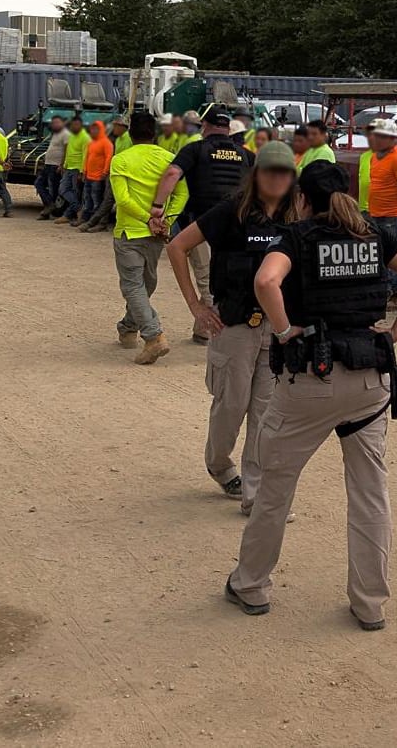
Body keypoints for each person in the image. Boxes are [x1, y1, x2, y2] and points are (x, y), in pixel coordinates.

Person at [225, 160, 397, 623]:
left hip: (310, 381)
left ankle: (252, 586)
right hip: (369, 381)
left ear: (303, 199)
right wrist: (395, 333)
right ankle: (370, 603)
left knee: (275, 489)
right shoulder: (374, 235)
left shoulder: (296, 239)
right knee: (370, 494)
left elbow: (265, 281)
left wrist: (282, 332)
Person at [166, 140, 301, 512]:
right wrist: (196, 306)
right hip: (234, 327)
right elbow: (177, 247)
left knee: (265, 414)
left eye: (284, 172)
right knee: (231, 406)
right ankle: (219, 465)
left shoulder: (297, 218)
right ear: (256, 175)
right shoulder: (230, 212)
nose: (277, 178)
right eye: (270, 171)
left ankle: (254, 495)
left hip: (276, 330)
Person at [150, 111, 254, 342]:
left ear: (204, 125)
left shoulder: (195, 149)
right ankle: (205, 328)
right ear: (229, 129)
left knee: (207, 277)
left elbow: (172, 172)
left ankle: (212, 329)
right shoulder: (245, 154)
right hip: (240, 223)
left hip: (204, 223)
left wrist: (158, 206)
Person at [109, 112, 177, 365]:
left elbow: (123, 200)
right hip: (157, 233)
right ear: (155, 133)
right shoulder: (170, 160)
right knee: (144, 285)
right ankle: (127, 329)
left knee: (135, 287)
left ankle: (153, 336)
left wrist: (146, 219)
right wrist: (166, 218)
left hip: (130, 231)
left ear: (129, 133)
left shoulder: (121, 160)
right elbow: (181, 193)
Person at [359, 118, 397, 304]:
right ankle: (385, 291)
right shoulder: (375, 157)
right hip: (376, 213)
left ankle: (396, 292)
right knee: (380, 255)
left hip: (392, 215)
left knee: (393, 255)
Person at [80, 116, 130, 233]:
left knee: (107, 200)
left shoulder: (128, 139)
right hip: (114, 173)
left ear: (122, 127)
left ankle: (93, 222)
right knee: (107, 199)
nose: (114, 129)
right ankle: (100, 223)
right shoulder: (118, 140)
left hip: (122, 174)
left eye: (115, 126)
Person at [76, 120, 114, 226]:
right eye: (92, 129)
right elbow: (87, 158)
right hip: (89, 177)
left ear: (101, 130)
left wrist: (105, 171)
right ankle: (85, 219)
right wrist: (84, 171)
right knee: (87, 199)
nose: (93, 131)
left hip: (98, 178)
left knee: (96, 200)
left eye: (96, 129)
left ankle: (94, 221)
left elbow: (108, 158)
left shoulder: (106, 143)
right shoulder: (91, 143)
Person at [57, 116, 89, 224]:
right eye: (72, 125)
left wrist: (82, 171)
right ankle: (78, 209)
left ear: (81, 125)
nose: (74, 127)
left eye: (76, 124)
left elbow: (85, 155)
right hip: (68, 168)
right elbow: (68, 151)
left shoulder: (85, 137)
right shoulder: (71, 136)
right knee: (63, 189)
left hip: (77, 169)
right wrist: (63, 165)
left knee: (76, 192)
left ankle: (69, 215)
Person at [35, 115, 69, 218]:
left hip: (56, 166)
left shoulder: (66, 134)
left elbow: (67, 150)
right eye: (53, 123)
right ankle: (49, 205)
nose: (55, 124)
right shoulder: (55, 134)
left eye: (57, 122)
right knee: (38, 183)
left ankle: (51, 211)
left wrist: (62, 165)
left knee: (53, 189)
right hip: (48, 164)